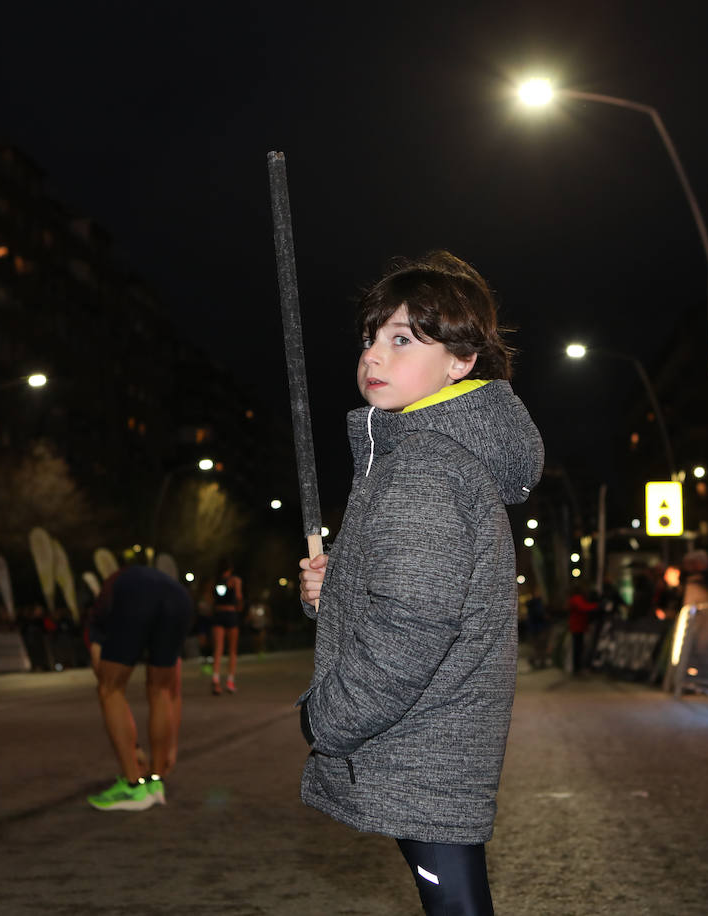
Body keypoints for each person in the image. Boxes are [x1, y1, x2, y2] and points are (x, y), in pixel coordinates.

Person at [296, 251, 543, 914]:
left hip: (422, 747)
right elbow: (417, 596)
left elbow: (411, 629)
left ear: (460, 361)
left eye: (402, 339)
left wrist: (325, 717)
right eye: (370, 339)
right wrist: (337, 591)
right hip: (431, 747)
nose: (374, 356)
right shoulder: (429, 458)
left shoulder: (425, 467)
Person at [85, 565, 191, 811]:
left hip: (138, 595)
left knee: (109, 688)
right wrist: (169, 747)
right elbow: (172, 688)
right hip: (180, 597)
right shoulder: (143, 579)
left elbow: (100, 671)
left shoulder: (102, 604)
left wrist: (133, 749)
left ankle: (134, 787)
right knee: (160, 689)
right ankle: (156, 782)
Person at [209, 560, 243, 695]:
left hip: (218, 614)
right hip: (231, 614)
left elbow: (210, 599)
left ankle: (216, 679)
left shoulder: (214, 581)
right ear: (231, 568)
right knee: (232, 650)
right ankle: (230, 681)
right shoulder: (235, 580)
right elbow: (239, 597)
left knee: (218, 649)